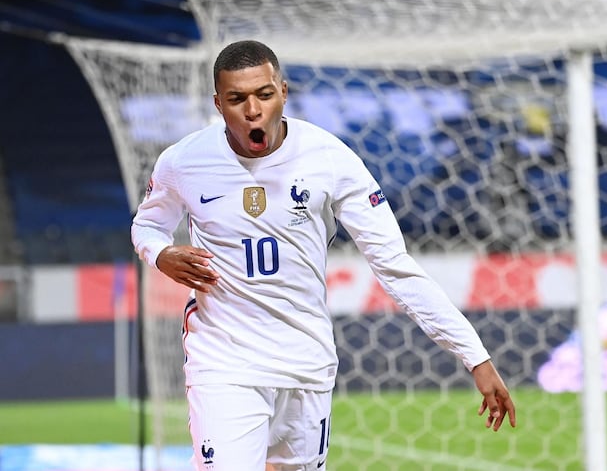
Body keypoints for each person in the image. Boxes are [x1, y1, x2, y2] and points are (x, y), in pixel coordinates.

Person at [131, 40, 516, 471]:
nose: (253, 110)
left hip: (306, 362)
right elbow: (147, 223)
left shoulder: (330, 159)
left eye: (264, 94)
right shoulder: (183, 161)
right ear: (219, 104)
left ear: (284, 92)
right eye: (237, 99)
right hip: (225, 361)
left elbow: (395, 267)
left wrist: (476, 357)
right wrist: (160, 253)